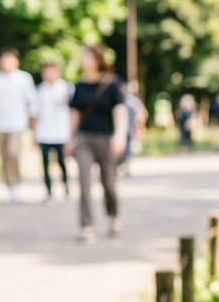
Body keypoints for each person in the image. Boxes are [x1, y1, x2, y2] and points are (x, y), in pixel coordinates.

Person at [67, 45, 127, 243]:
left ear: (97, 60)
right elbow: (74, 114)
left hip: (107, 138)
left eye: (87, 57)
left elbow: (120, 111)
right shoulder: (80, 86)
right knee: (83, 182)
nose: (84, 61)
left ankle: (112, 215)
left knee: (108, 183)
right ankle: (87, 226)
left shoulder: (112, 84)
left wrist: (120, 136)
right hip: (84, 138)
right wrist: (69, 139)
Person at [0, 48, 38, 202]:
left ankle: (17, 185)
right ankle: (8, 186)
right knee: (4, 156)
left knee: (14, 154)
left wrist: (34, 120)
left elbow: (31, 100)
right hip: (0, 124)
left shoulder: (24, 78)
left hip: (18, 124)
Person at [35, 61, 73, 201]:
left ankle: (66, 186)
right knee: (45, 164)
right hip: (44, 133)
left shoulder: (67, 88)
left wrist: (71, 135)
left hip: (62, 132)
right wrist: (35, 135)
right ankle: (49, 190)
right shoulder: (40, 90)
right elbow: (35, 114)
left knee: (62, 162)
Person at [120, 80, 147, 174]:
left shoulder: (135, 100)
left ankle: (126, 165)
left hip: (131, 127)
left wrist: (140, 123)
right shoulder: (119, 98)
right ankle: (122, 164)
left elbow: (142, 113)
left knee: (130, 148)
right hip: (121, 128)